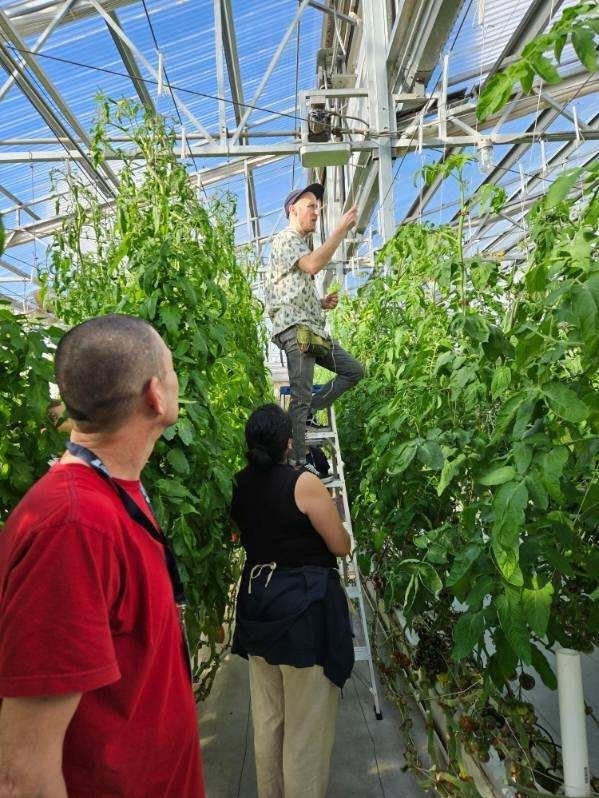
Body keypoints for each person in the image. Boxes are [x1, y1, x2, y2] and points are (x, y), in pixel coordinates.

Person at [0, 314, 204, 798]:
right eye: (172, 369)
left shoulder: (111, 496)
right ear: (156, 394)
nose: (178, 382)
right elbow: (22, 775)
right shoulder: (74, 530)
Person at [230, 403, 354, 798]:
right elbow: (339, 545)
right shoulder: (303, 484)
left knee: (268, 722)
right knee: (305, 732)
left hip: (258, 606)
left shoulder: (237, 484)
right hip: (302, 615)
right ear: (288, 443)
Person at [266, 183, 365, 472]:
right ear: (292, 210)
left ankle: (310, 408)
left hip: (311, 329)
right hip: (297, 332)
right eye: (311, 206)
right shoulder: (286, 239)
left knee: (353, 371)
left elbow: (291, 289)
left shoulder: (298, 243)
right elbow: (311, 266)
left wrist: (320, 303)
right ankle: (298, 463)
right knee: (300, 395)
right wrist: (340, 231)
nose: (317, 211)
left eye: (318, 207)